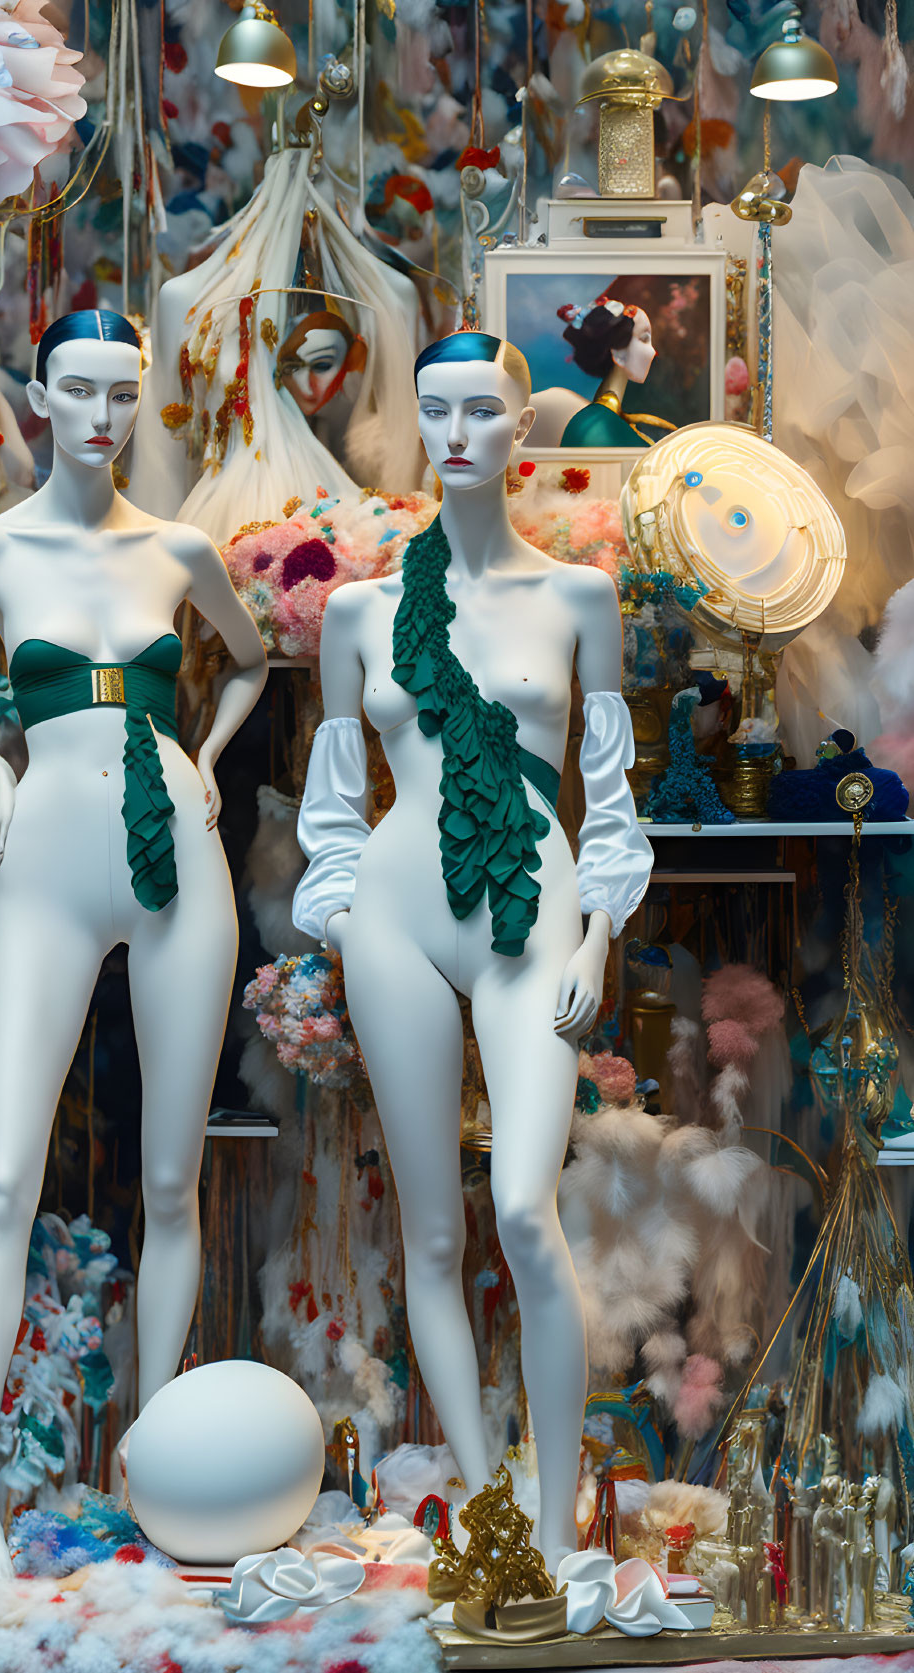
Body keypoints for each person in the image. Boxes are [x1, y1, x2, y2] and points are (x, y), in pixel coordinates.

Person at [0, 308, 267, 1573]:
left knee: (173, 1182)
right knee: (7, 1180)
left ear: (142, 397)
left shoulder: (179, 545)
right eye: (78, 391)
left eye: (123, 393)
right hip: (47, 857)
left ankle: (156, 1466)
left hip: (179, 859)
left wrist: (207, 759)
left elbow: (253, 660)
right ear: (40, 398)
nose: (102, 417)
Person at [293, 329, 652, 1569]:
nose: (457, 434)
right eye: (434, 411)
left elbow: (608, 800)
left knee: (521, 1206)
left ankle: (555, 1532)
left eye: (483, 411)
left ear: (518, 429)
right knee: (432, 1234)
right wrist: (342, 915)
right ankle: (492, 1505)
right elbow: (333, 807)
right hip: (394, 913)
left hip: (536, 912)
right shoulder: (358, 611)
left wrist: (598, 937)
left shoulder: (577, 597)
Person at [558, 296, 671, 448]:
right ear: (618, 353)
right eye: (644, 339)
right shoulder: (598, 426)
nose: (653, 352)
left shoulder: (608, 419)